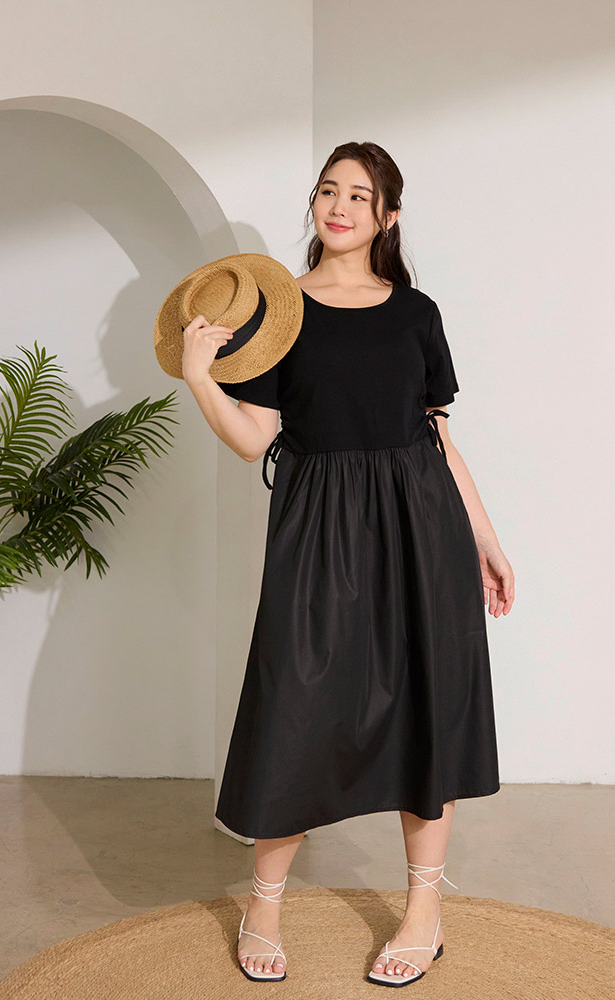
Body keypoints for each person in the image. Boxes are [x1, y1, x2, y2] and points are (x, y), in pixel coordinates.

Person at [181, 141, 515, 987]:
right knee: (294, 708)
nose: (339, 206)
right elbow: (255, 437)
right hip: (319, 527)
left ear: (388, 216)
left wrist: (484, 538)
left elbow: (438, 439)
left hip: (421, 527)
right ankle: (263, 907)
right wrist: (200, 378)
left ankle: (423, 914)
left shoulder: (417, 315)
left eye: (360, 196)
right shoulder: (280, 313)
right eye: (329, 190)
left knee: (425, 713)